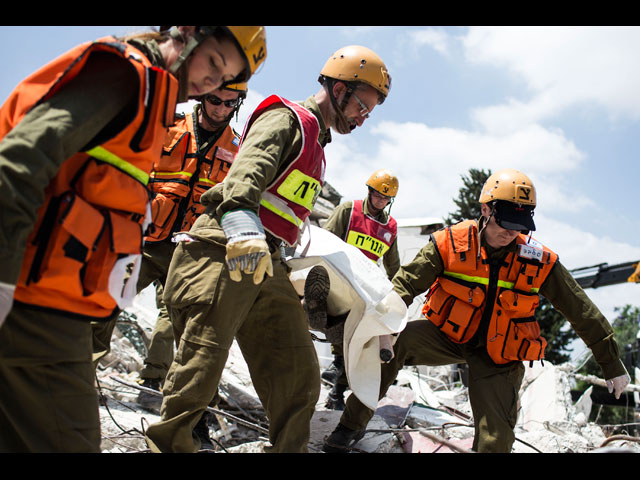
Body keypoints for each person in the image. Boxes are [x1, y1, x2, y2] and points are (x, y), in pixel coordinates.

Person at [0, 25, 267, 453]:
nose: (210, 84)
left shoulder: (153, 97)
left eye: (223, 80)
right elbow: (17, 167)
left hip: (58, 289)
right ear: (186, 33)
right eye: (213, 63)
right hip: (33, 298)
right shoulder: (127, 76)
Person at [144, 45, 392, 453]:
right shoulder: (287, 119)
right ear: (338, 88)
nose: (363, 118)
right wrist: (243, 229)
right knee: (200, 368)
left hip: (266, 261)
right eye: (361, 105)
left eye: (369, 112)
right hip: (223, 248)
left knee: (298, 375)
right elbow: (244, 179)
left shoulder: (317, 147)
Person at [323, 168, 631, 453]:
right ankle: (350, 426)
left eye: (520, 226)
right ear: (486, 210)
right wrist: (383, 327)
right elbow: (405, 285)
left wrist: (611, 362)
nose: (511, 233)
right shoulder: (449, 243)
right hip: (446, 335)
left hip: (499, 353)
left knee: (495, 441)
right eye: (506, 223)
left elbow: (581, 309)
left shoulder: (538, 260)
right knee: (395, 343)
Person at [308, 169, 400, 409]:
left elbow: (393, 264)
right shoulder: (349, 211)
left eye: (385, 198)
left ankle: (338, 388)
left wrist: (399, 295)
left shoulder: (390, 227)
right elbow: (325, 239)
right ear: (369, 191)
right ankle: (337, 361)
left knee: (366, 335)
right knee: (344, 320)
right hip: (339, 273)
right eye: (377, 195)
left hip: (365, 282)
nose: (380, 201)